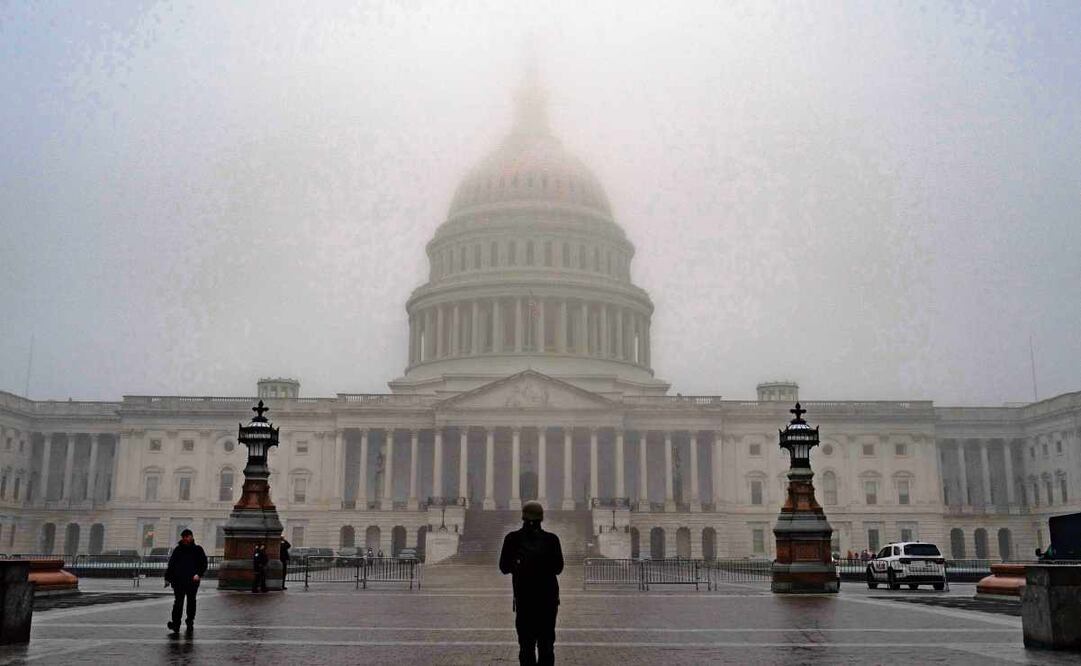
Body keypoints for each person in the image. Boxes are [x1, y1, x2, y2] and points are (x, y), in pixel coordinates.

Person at [499, 501, 564, 666]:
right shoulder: (551, 540)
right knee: (546, 647)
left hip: (524, 599)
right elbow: (558, 568)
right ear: (541, 518)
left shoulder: (512, 539)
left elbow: (504, 567)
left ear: (523, 517)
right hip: (548, 601)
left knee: (526, 647)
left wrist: (520, 565)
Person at [164, 529, 208, 635]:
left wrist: (199, 574)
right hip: (178, 581)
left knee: (191, 602)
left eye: (187, 537)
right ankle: (176, 624)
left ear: (191, 537)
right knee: (178, 603)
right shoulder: (178, 550)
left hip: (192, 581)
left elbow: (203, 564)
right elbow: (172, 565)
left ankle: (189, 621)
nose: (185, 539)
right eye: (184, 537)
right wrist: (167, 578)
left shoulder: (198, 549)